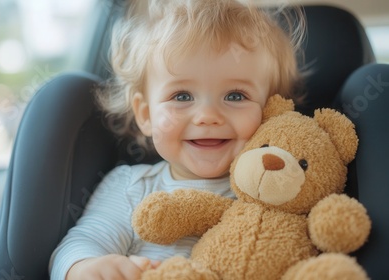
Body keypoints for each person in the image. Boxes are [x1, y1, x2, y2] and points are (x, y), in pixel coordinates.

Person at [50, 0, 305, 279]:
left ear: (270, 110)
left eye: (235, 96)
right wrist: (88, 267)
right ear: (145, 114)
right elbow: (83, 243)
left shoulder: (282, 187)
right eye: (181, 96)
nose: (207, 116)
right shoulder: (131, 187)